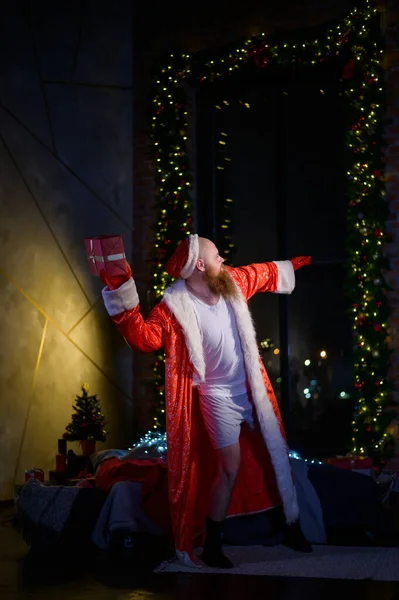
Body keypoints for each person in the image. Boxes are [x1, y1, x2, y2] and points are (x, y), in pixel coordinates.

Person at [101, 233, 311, 568]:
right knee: (230, 468)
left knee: (276, 454)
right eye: (216, 257)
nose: (223, 262)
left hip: (251, 387)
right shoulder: (173, 310)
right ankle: (213, 544)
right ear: (199, 265)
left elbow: (260, 273)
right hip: (216, 397)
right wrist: (119, 293)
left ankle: (292, 525)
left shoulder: (231, 282)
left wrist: (287, 268)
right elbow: (143, 338)